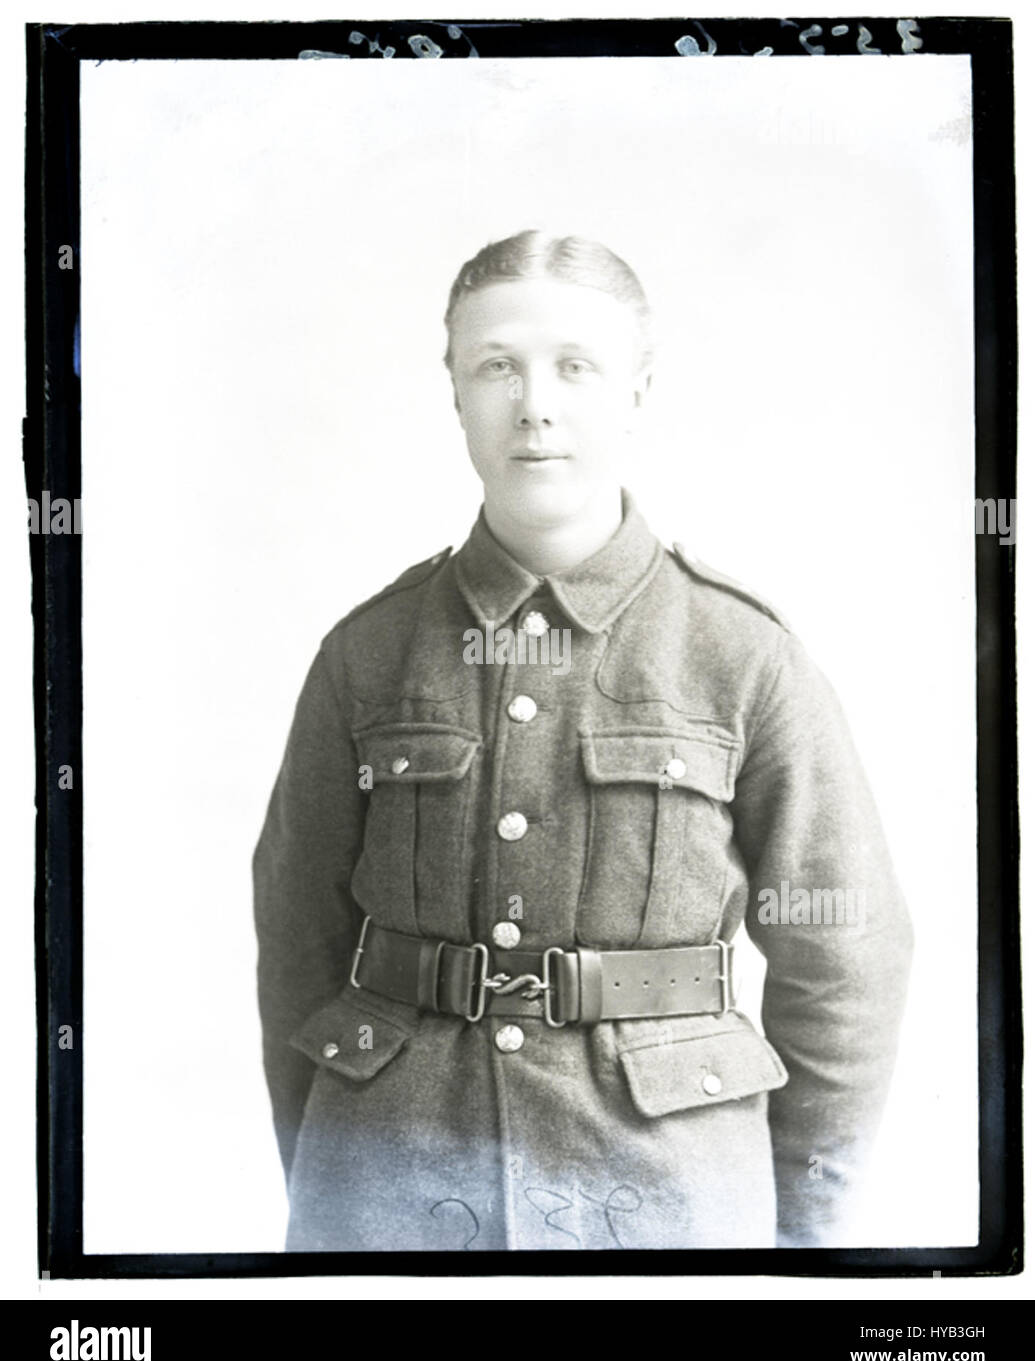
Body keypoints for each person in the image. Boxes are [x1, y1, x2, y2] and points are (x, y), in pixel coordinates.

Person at [252, 229, 913, 1251]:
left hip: (667, 1194)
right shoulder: (367, 652)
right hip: (387, 1187)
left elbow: (844, 960)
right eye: (497, 366)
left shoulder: (743, 655)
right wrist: (331, 1177)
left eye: (576, 367)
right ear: (455, 389)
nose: (536, 404)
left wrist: (796, 1234)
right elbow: (297, 936)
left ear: (637, 391)